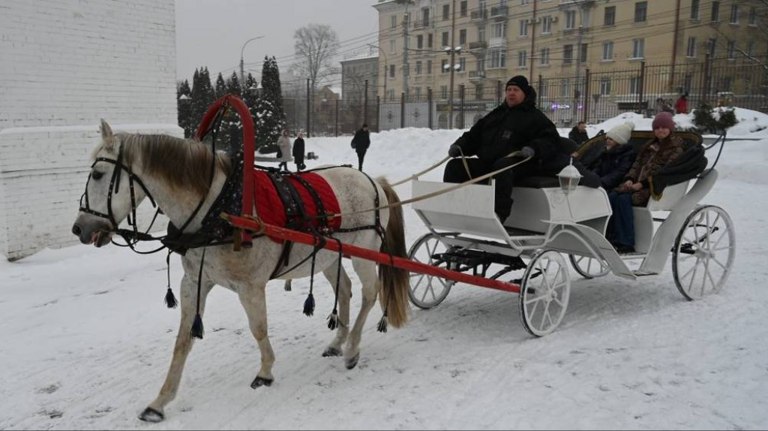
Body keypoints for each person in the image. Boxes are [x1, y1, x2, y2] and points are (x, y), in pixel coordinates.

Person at [443, 75, 599, 222]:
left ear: (524, 93)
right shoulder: (496, 115)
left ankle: (499, 214)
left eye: (516, 90)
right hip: (490, 164)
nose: (511, 93)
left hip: (522, 164)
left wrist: (534, 148)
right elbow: (474, 135)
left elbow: (550, 139)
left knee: (503, 166)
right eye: (509, 90)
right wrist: (460, 146)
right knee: (454, 167)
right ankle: (453, 208)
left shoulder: (535, 117)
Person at [606, 112, 684, 253]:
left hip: (655, 187)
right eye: (657, 127)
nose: (661, 130)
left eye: (664, 127)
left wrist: (642, 184)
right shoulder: (649, 146)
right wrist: (629, 179)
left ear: (670, 128)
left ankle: (626, 242)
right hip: (637, 185)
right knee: (611, 197)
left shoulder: (676, 149)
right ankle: (610, 237)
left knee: (623, 199)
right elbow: (636, 165)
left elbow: (665, 172)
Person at [585, 121, 637, 190]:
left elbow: (618, 174)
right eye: (607, 138)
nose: (607, 141)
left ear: (619, 141)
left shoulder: (628, 155)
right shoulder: (607, 152)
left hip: (612, 187)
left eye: (611, 139)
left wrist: (600, 183)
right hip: (600, 184)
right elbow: (598, 167)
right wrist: (591, 178)